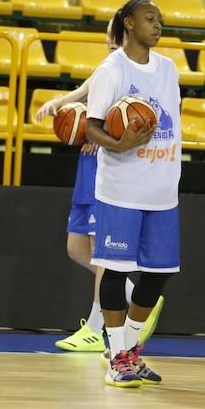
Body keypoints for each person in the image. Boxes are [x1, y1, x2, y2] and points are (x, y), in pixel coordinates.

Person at [38, 24, 164, 354]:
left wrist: (104, 135)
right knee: (77, 248)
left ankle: (96, 329)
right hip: (87, 168)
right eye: (108, 37)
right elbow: (84, 91)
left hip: (108, 170)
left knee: (101, 252)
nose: (109, 42)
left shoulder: (139, 77)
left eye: (115, 37)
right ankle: (139, 297)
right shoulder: (106, 71)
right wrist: (58, 104)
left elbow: (136, 121)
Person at [84, 0, 181, 388]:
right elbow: (91, 127)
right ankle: (116, 357)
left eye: (160, 20)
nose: (157, 25)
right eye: (149, 19)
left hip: (163, 190)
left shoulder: (169, 68)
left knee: (159, 275)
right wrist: (119, 143)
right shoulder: (112, 70)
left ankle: (129, 350)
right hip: (122, 190)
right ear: (128, 23)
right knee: (117, 270)